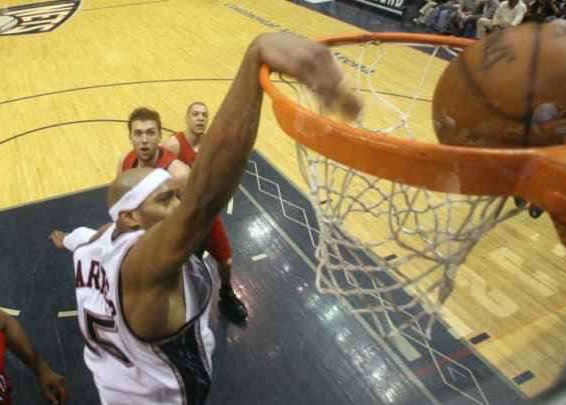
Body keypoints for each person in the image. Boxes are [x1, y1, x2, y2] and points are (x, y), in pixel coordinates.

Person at [50, 32, 362, 404]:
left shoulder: (95, 242)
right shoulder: (144, 268)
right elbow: (203, 200)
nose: (178, 205)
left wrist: (64, 237)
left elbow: (84, 237)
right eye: (166, 200)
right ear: (132, 219)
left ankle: (224, 291)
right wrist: (254, 58)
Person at [162, 101, 248, 321]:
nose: (200, 118)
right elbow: (158, 179)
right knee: (177, 268)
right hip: (180, 218)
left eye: (204, 115)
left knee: (226, 261)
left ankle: (227, 295)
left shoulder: (213, 145)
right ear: (186, 119)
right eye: (196, 114)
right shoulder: (173, 145)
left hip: (207, 215)